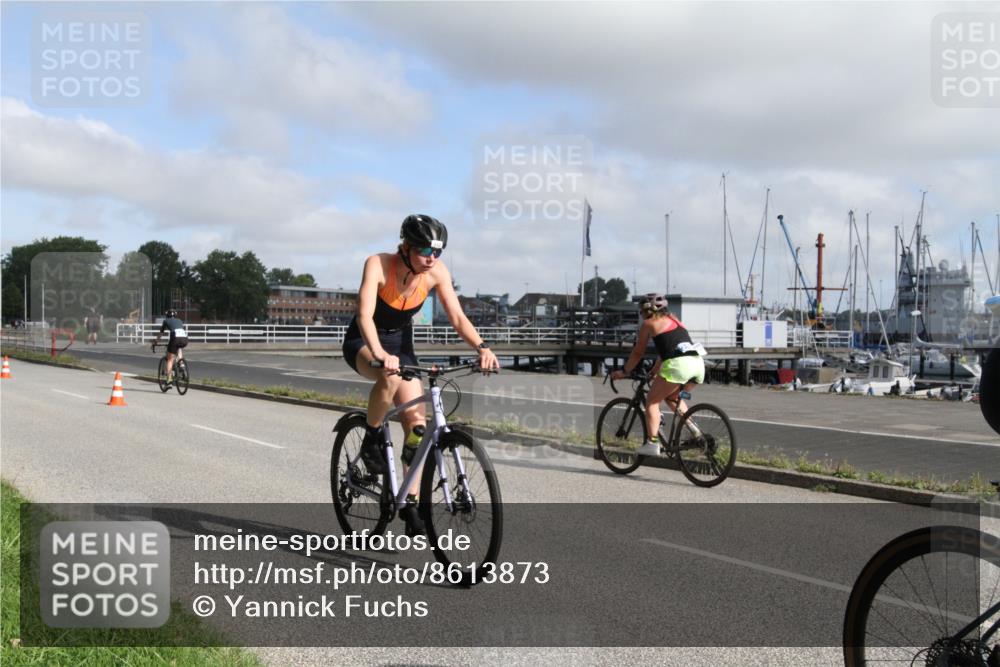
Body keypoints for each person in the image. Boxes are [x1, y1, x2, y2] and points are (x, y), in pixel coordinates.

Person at [343, 214, 500, 535]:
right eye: (425, 250)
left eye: (437, 252)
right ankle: (372, 439)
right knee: (389, 377)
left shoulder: (436, 272)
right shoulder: (378, 264)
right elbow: (364, 314)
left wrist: (482, 347)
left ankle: (410, 502)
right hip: (365, 340)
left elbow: (457, 317)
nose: (431, 258)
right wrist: (379, 354)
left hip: (401, 345)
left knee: (417, 427)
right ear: (405, 246)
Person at [611, 293, 705, 455]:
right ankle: (697, 433)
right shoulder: (676, 321)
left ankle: (652, 443)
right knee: (672, 398)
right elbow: (666, 351)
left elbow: (638, 353)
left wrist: (624, 372)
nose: (641, 315)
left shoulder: (649, 324)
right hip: (697, 364)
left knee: (652, 403)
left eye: (641, 312)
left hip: (678, 366)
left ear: (648, 310)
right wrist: (654, 372)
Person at [151, 309, 188, 384]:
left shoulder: (166, 321)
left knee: (170, 359)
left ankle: (169, 379)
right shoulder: (180, 321)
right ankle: (182, 365)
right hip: (184, 338)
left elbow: (160, 334)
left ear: (167, 316)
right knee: (179, 347)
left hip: (175, 337)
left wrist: (155, 342)